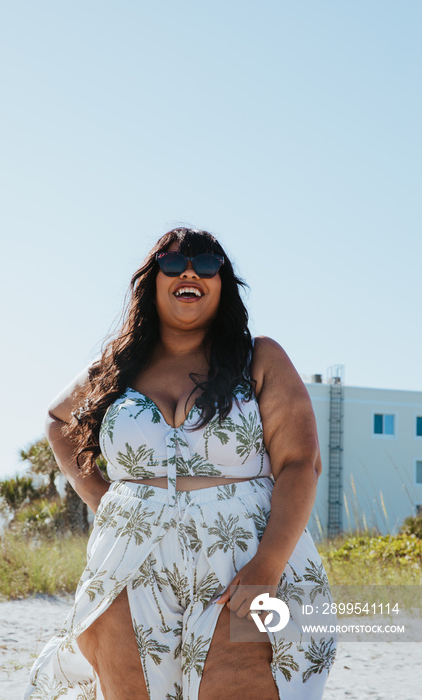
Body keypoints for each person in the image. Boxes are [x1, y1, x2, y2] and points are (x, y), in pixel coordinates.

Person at [25, 227, 337, 700]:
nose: (189, 270)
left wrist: (267, 565)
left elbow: (300, 463)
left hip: (242, 554)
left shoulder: (259, 358)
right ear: (153, 281)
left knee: (238, 680)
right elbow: (57, 420)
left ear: (222, 283)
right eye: (173, 263)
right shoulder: (118, 365)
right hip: (130, 559)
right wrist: (105, 499)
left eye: (207, 264)